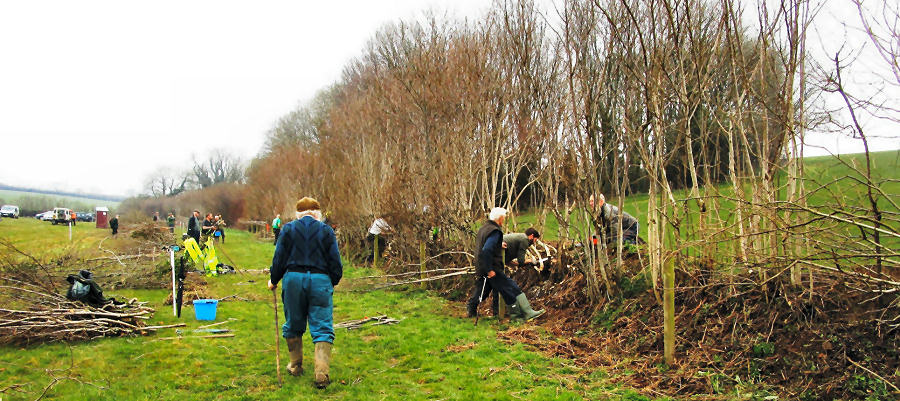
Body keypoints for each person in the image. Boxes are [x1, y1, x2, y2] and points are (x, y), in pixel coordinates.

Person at [268, 197, 342, 389]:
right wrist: (332, 281)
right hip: (320, 279)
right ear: (317, 213)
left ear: (298, 214)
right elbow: (335, 261)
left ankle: (295, 366)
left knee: (293, 321)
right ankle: (321, 373)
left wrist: (274, 280)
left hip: (293, 279)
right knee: (323, 326)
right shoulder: (326, 231)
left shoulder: (288, 229)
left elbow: (279, 258)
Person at [466, 207, 545, 321]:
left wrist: (498, 245)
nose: (503, 220)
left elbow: (485, 245)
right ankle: (525, 313)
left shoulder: (484, 228)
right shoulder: (495, 231)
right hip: (492, 266)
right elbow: (487, 249)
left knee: (485, 290)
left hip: (481, 265)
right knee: (511, 287)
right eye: (503, 218)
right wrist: (489, 270)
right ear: (499, 218)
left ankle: (473, 309)